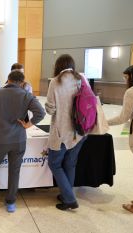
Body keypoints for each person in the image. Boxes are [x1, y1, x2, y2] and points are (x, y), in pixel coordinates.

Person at [0, 70, 45, 214]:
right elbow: (41, 112)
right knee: (15, 171)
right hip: (18, 140)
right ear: (22, 82)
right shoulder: (26, 95)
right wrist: (29, 124)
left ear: (8, 79)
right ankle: (11, 203)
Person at [45, 54, 87, 211]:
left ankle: (69, 198)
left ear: (58, 66)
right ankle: (66, 194)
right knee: (70, 163)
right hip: (80, 131)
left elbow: (51, 109)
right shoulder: (81, 78)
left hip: (62, 131)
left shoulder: (55, 81)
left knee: (54, 163)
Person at [107, 65, 133, 216]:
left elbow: (123, 117)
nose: (125, 81)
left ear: (131, 76)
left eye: (126, 77)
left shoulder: (132, 91)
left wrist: (104, 122)